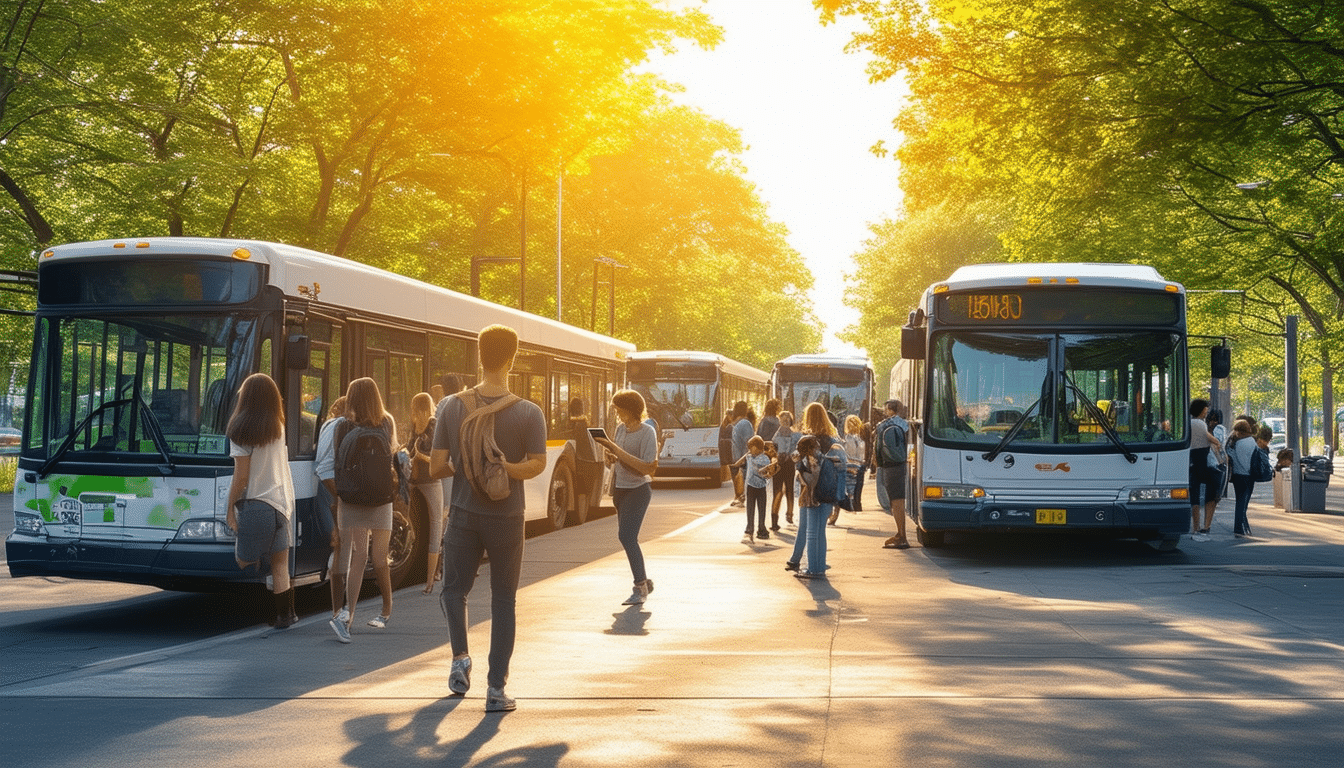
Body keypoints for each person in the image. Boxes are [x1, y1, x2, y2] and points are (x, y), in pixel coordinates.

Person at [431, 324, 547, 713]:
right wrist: (503, 469)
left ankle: (460, 659)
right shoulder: (529, 411)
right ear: (513, 358)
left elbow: (435, 467)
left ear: (479, 356)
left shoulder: (450, 406)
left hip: (463, 514)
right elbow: (537, 465)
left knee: (454, 590)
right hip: (508, 517)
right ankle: (496, 690)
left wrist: (469, 467)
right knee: (503, 600)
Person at [224, 373, 296, 628]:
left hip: (257, 504)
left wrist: (229, 507)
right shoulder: (278, 426)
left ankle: (268, 612)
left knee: (243, 559)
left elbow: (241, 477)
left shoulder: (240, 431)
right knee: (280, 564)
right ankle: (285, 615)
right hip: (282, 504)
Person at [328, 377, 398, 641]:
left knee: (358, 558)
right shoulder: (387, 422)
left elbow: (337, 460)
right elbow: (391, 455)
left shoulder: (342, 426)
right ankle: (386, 610)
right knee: (380, 557)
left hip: (352, 500)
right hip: (381, 499)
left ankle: (347, 617)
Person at [593, 389, 658, 605]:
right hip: (619, 488)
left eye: (620, 410)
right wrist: (611, 456)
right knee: (626, 536)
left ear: (632, 410)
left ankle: (640, 587)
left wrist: (616, 450)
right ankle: (645, 582)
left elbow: (648, 467)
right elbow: (617, 459)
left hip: (638, 490)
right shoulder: (621, 429)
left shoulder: (647, 432)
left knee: (627, 536)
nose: (618, 414)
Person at [314, 395, 350, 629]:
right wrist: (341, 496)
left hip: (327, 488)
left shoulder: (328, 424)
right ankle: (340, 611)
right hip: (333, 488)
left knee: (340, 548)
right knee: (341, 549)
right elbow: (326, 466)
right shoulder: (341, 426)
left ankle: (340, 609)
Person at [407, 392, 446, 595]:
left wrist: (414, 456)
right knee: (435, 526)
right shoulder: (432, 425)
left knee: (419, 524)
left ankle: (430, 576)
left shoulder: (421, 426)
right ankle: (430, 580)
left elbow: (410, 451)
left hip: (416, 481)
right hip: (430, 481)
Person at [786, 435, 828, 579]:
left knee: (811, 533)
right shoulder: (820, 458)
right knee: (818, 533)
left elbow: (810, 481)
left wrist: (799, 467)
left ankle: (813, 568)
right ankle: (818, 566)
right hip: (818, 498)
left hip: (812, 499)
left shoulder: (811, 460)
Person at [799, 401, 848, 526]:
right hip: (826, 484)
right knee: (820, 528)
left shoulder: (806, 439)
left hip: (810, 486)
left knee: (809, 527)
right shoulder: (831, 439)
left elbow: (803, 465)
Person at [875, 399, 911, 550]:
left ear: (890, 409)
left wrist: (879, 466)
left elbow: (878, 449)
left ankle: (901, 536)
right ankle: (900, 534)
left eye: (886, 409)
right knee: (899, 502)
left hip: (890, 467)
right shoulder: (906, 425)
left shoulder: (883, 425)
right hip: (903, 465)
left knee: (896, 503)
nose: (884, 412)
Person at [1189, 398, 1222, 538]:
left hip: (1191, 461)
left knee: (1194, 496)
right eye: (1205, 409)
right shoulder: (1199, 423)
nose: (1206, 412)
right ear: (1201, 410)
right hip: (1203, 462)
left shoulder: (1187, 423)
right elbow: (1214, 440)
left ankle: (1196, 527)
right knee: (1212, 492)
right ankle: (1205, 525)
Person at [733, 435, 774, 541]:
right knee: (750, 508)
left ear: (757, 447)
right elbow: (737, 464)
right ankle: (749, 527)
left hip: (761, 487)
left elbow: (766, 471)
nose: (749, 449)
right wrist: (747, 454)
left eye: (751, 447)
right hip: (750, 486)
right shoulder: (749, 456)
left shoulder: (764, 458)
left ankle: (761, 528)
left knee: (761, 509)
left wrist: (761, 470)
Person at [1224, 419, 1257, 537]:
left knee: (1240, 502)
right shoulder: (1250, 441)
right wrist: (1250, 471)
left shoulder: (1232, 441)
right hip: (1247, 476)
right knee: (1243, 503)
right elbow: (1246, 461)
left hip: (1236, 476)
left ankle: (1240, 526)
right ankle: (1240, 527)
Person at [770, 411, 799, 527]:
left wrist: (789, 455)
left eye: (787, 419)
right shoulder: (776, 435)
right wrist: (777, 455)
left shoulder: (794, 435)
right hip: (778, 464)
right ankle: (774, 517)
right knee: (777, 490)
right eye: (783, 419)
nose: (785, 421)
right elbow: (772, 448)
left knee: (789, 489)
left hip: (789, 464)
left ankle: (790, 513)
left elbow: (796, 450)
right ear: (780, 421)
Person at [729, 401, 752, 506]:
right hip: (742, 457)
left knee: (740, 477)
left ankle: (740, 497)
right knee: (741, 477)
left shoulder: (740, 423)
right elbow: (749, 440)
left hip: (740, 456)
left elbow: (747, 441)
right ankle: (740, 497)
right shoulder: (744, 423)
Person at [843, 414, 866, 512]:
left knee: (855, 488)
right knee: (854, 488)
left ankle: (854, 505)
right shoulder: (850, 439)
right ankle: (854, 506)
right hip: (854, 465)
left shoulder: (855, 438)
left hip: (856, 465)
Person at [718, 410, 735, 500]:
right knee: (728, 463)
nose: (732, 416)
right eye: (730, 415)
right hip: (727, 447)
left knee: (726, 463)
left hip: (726, 446)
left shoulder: (726, 425)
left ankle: (726, 477)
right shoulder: (727, 425)